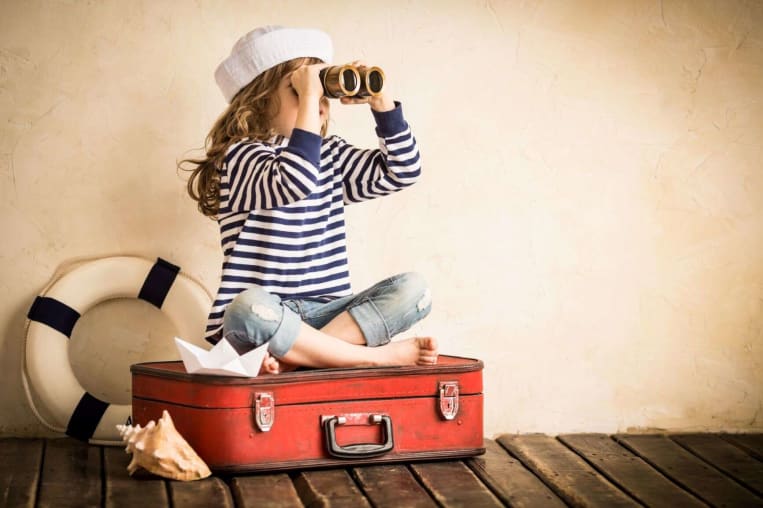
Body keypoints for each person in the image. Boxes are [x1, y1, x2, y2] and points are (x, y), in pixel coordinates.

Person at [180, 26, 437, 374]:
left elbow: (403, 170)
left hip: (324, 315)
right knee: (245, 307)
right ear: (258, 100)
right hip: (266, 317)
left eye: (322, 94)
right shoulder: (241, 157)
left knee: (414, 290)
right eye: (299, 92)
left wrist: (381, 102)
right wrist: (311, 98)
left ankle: (293, 362)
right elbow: (295, 181)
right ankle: (369, 358)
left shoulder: (329, 155)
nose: (318, 104)